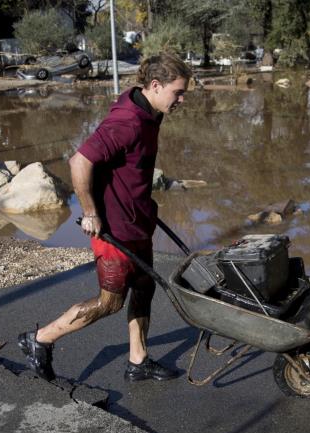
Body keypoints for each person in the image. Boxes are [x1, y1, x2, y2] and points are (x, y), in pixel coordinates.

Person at [19, 53, 192, 382]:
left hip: (137, 219)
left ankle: (138, 360)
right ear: (156, 86)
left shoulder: (150, 110)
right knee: (110, 302)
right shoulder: (127, 121)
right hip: (114, 228)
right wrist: (90, 213)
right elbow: (80, 162)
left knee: (144, 287)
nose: (182, 100)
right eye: (178, 92)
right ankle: (40, 339)